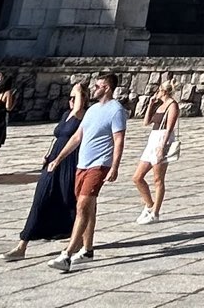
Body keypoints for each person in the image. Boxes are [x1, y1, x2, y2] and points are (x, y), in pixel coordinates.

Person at [45, 70, 126, 272]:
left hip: (99, 165)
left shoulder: (116, 110)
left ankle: (67, 254)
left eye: (97, 86)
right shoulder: (91, 110)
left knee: (82, 206)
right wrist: (58, 159)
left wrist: (114, 166)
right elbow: (77, 137)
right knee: (88, 207)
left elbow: (118, 140)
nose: (93, 89)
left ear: (107, 87)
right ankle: (88, 250)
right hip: (82, 164)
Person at [3, 81, 88, 261]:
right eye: (70, 98)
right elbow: (57, 137)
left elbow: (78, 107)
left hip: (69, 162)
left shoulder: (81, 115)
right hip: (53, 161)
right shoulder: (66, 115)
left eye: (73, 98)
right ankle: (22, 245)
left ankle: (78, 239)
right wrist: (48, 155)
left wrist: (79, 88)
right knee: (40, 199)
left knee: (68, 200)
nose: (71, 100)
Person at [132, 80, 179, 224]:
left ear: (164, 91)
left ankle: (155, 213)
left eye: (158, 91)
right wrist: (151, 105)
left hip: (162, 140)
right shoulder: (159, 105)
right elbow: (146, 122)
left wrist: (162, 146)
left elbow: (169, 127)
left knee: (158, 179)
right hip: (152, 140)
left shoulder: (172, 105)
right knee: (137, 177)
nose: (156, 93)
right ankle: (149, 204)